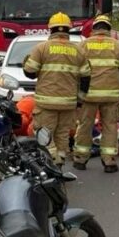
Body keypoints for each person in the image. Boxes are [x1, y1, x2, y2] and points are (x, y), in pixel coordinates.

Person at [23, 12, 90, 167]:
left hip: (46, 103)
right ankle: (59, 163)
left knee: (44, 134)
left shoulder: (42, 48)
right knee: (62, 135)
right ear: (68, 30)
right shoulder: (79, 50)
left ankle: (52, 162)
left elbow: (30, 73)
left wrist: (25, 62)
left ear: (50, 29)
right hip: (69, 103)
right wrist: (79, 99)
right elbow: (86, 77)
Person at [72, 14, 119, 173]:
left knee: (85, 125)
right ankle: (109, 161)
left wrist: (77, 95)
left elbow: (77, 71)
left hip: (88, 95)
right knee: (110, 127)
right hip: (111, 95)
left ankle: (80, 159)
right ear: (108, 29)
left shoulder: (83, 45)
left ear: (94, 29)